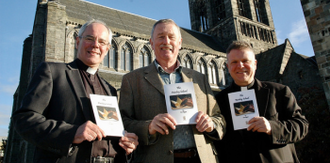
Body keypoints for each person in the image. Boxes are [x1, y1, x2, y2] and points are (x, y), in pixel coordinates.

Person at [12, 20, 139, 163]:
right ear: (78, 42)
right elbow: (24, 119)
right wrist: (71, 133)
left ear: (108, 49)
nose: (95, 45)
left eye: (102, 42)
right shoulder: (53, 72)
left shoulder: (110, 89)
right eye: (89, 38)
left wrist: (126, 146)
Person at [119, 19, 226, 163]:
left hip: (201, 158)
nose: (166, 41)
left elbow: (219, 118)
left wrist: (211, 124)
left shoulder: (199, 79)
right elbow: (123, 123)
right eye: (161, 36)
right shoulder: (132, 80)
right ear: (151, 43)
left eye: (171, 37)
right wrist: (148, 127)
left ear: (180, 43)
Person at [214, 41, 309, 163]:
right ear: (228, 67)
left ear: (255, 64)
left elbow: (302, 126)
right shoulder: (219, 100)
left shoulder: (279, 91)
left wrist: (272, 127)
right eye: (234, 62)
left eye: (245, 61)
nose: (240, 66)